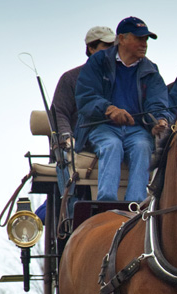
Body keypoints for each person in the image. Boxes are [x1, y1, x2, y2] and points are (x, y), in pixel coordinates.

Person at [75, 16, 173, 203]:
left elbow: (158, 103)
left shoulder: (151, 70)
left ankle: (136, 205)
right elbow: (85, 96)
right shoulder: (98, 62)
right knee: (112, 145)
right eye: (139, 38)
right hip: (102, 127)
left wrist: (158, 121)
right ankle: (106, 204)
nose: (144, 44)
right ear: (121, 39)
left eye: (145, 39)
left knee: (143, 146)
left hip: (137, 130)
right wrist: (109, 109)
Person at [51, 26, 115, 215]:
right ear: (91, 49)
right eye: (106, 46)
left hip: (111, 137)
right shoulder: (71, 78)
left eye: (114, 46)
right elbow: (59, 112)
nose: (112, 51)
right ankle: (72, 216)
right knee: (65, 158)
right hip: (79, 141)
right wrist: (66, 137)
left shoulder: (121, 77)